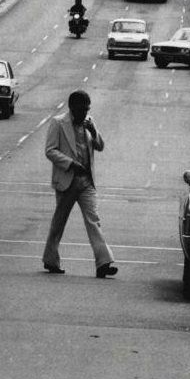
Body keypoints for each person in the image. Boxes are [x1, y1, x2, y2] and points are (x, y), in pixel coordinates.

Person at [42, 90, 118, 278]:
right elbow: (50, 150)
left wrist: (93, 131)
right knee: (59, 223)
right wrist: (70, 164)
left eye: (87, 109)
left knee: (94, 220)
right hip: (67, 180)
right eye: (82, 110)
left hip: (86, 182)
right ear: (72, 108)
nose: (85, 113)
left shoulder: (88, 122)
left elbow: (100, 146)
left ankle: (103, 262)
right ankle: (51, 260)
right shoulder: (58, 123)